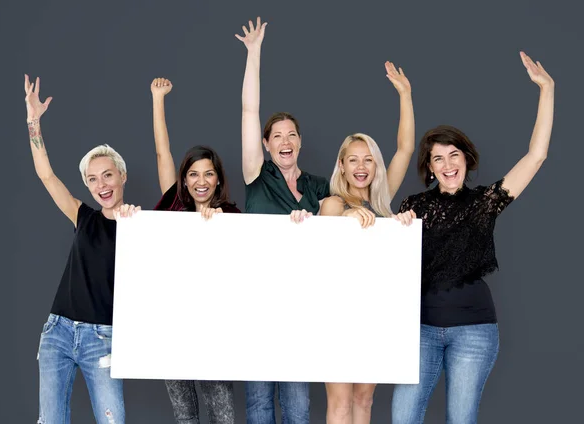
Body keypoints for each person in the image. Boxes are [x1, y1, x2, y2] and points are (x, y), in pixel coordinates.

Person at [391, 52, 554, 424]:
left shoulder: (485, 203)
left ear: (466, 159)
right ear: (429, 168)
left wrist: (547, 89)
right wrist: (400, 230)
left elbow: (536, 155)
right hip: (420, 329)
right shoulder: (412, 206)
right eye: (438, 159)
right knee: (402, 418)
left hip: (475, 332)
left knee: (460, 420)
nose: (448, 165)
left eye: (454, 155)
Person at [25, 74, 139, 424]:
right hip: (57, 332)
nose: (100, 185)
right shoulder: (82, 215)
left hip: (101, 339)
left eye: (107, 175)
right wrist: (33, 121)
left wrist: (133, 223)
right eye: (92, 179)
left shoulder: (140, 226)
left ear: (122, 177)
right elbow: (47, 176)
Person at [235, 16, 331, 424]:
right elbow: (249, 108)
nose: (285, 141)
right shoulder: (257, 175)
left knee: (297, 407)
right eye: (277, 135)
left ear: (300, 142)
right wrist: (254, 54)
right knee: (258, 405)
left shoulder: (320, 186)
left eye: (292, 134)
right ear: (265, 144)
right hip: (258, 303)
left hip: (301, 306)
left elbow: (336, 238)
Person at [319, 61, 415, 424]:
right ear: (341, 166)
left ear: (376, 167)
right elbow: (328, 232)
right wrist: (345, 218)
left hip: (376, 312)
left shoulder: (382, 205)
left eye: (369, 160)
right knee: (341, 403)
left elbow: (405, 149)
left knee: (365, 401)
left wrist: (405, 95)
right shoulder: (333, 202)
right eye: (353, 160)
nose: (362, 166)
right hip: (339, 314)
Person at [150, 77, 238, 424]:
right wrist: (158, 100)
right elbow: (161, 152)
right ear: (184, 179)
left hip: (213, 327)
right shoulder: (173, 205)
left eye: (209, 174)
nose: (201, 181)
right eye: (193, 174)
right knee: (185, 415)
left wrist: (217, 226)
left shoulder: (230, 215)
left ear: (218, 179)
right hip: (173, 323)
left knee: (223, 416)